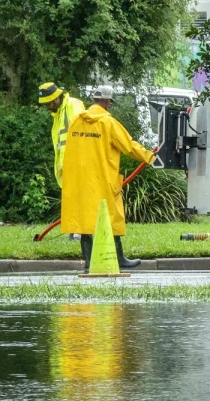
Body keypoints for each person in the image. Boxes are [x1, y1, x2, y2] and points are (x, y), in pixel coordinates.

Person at [60, 85, 154, 271]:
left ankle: (89, 262)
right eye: (109, 102)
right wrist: (150, 157)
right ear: (106, 102)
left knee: (84, 219)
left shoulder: (76, 121)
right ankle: (119, 259)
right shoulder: (108, 123)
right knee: (112, 217)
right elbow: (129, 146)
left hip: (80, 180)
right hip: (102, 179)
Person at [37, 82, 86, 189]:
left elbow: (83, 134)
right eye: (47, 104)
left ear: (57, 97)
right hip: (70, 169)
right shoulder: (58, 114)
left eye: (51, 103)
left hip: (78, 167)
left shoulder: (72, 105)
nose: (49, 106)